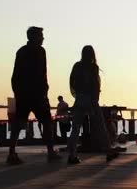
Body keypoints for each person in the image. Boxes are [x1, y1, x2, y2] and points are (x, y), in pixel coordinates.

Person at [7, 27, 60, 165]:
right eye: (41, 36)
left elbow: (15, 75)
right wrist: (44, 90)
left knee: (18, 123)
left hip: (25, 94)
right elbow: (42, 73)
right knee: (47, 122)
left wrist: (18, 92)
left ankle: (12, 152)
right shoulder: (39, 52)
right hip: (36, 94)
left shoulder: (22, 51)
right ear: (34, 37)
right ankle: (50, 152)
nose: (43, 38)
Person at [67, 45, 119, 164]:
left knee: (75, 128)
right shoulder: (93, 67)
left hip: (79, 99)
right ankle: (108, 151)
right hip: (91, 100)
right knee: (100, 127)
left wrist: (78, 94)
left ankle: (72, 154)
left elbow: (72, 82)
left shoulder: (77, 66)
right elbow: (96, 85)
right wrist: (94, 100)